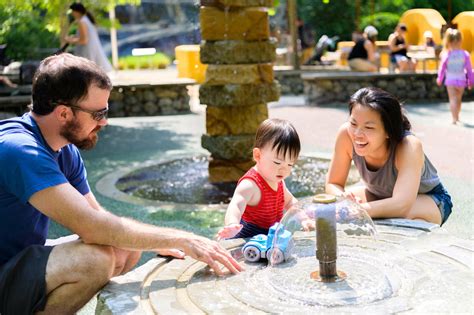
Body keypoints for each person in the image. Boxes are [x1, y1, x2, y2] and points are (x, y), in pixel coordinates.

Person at [0, 53, 242, 314]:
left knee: (124, 246)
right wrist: (184, 238)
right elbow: (92, 227)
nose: (104, 121)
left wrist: (153, 241)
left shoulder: (63, 149)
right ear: (63, 114)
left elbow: (97, 218)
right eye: (98, 113)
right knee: (94, 261)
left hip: (16, 259)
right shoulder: (21, 151)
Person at [326, 87, 453, 226]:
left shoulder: (409, 146)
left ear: (388, 131)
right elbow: (334, 183)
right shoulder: (346, 134)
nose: (357, 133)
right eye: (353, 123)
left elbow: (401, 205)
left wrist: (357, 210)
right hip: (378, 195)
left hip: (428, 198)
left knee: (398, 221)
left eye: (368, 127)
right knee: (329, 209)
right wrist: (343, 199)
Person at [216, 118, 309, 239]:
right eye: (277, 162)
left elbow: (290, 201)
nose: (284, 169)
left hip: (270, 235)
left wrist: (304, 218)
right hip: (247, 239)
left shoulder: (279, 181)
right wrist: (232, 224)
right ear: (258, 155)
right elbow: (236, 205)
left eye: (290, 164)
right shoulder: (250, 184)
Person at [436, 28, 473, 124]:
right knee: (458, 99)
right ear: (461, 40)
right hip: (461, 80)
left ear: (448, 41)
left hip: (450, 80)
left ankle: (454, 118)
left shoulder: (446, 54)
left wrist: (439, 78)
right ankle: (458, 116)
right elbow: (469, 70)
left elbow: (442, 68)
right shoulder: (465, 54)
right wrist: (471, 81)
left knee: (452, 99)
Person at [65, 3, 113, 73]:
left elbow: (84, 40)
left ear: (76, 11)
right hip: (91, 49)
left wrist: (71, 40)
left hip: (87, 51)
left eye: (72, 11)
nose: (72, 13)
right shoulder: (87, 20)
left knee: (88, 72)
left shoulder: (82, 21)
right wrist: (75, 38)